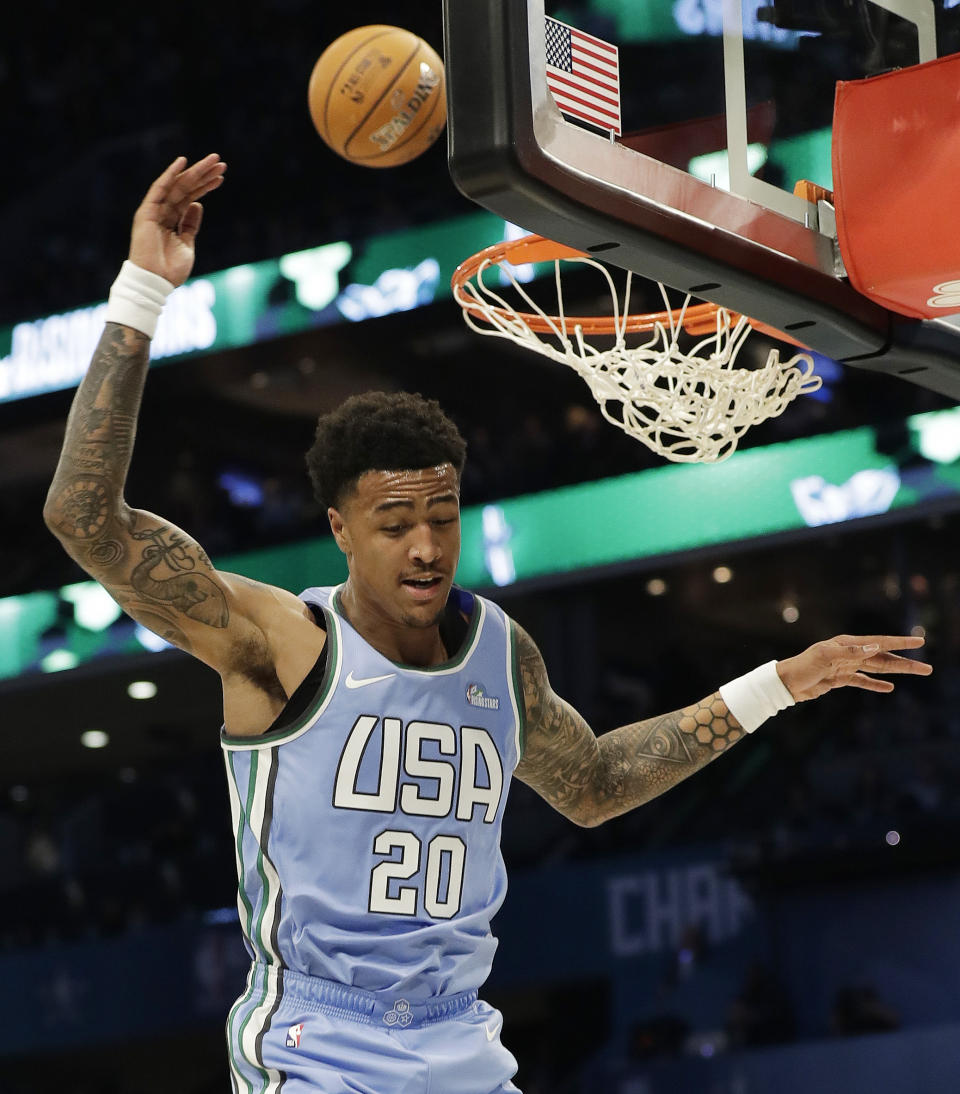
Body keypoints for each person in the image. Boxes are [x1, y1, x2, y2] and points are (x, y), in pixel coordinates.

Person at [43, 155, 933, 1093]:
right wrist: (143, 289)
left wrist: (780, 683)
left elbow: (593, 784)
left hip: (461, 1038)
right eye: (394, 526)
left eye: (443, 516)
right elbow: (84, 519)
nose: (426, 547)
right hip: (318, 1037)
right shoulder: (277, 641)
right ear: (341, 530)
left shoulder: (500, 651)